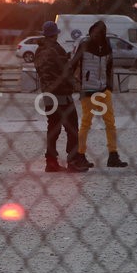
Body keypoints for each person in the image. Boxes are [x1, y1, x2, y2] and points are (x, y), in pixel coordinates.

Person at [33, 21, 89, 173]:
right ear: (56, 34)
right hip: (62, 95)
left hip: (48, 95)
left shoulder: (39, 51)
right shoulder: (57, 49)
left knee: (53, 129)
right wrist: (78, 87)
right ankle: (73, 161)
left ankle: (51, 162)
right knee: (72, 128)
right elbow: (67, 72)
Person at [71, 20, 128, 168]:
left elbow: (109, 67)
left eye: (99, 33)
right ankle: (80, 154)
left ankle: (113, 155)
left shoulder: (107, 47)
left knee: (110, 123)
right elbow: (73, 64)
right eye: (94, 32)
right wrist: (75, 84)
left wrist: (109, 87)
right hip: (87, 90)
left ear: (103, 34)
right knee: (86, 123)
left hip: (103, 90)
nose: (96, 35)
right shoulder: (84, 45)